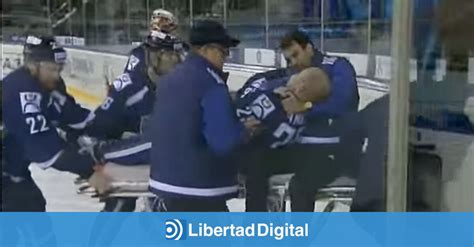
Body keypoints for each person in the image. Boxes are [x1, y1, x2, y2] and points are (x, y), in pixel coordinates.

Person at [145, 20, 258, 212]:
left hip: (166, 183)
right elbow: (223, 141)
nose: (227, 56)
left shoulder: (171, 78)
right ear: (207, 49)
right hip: (199, 188)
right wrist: (244, 130)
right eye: (224, 51)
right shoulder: (211, 83)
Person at [243, 30, 361, 212]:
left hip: (331, 152)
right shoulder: (291, 75)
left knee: (299, 186)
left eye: (296, 55)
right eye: (289, 59)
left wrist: (306, 107)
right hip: (300, 150)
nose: (294, 62)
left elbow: (343, 102)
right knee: (256, 164)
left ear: (310, 48)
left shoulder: (337, 66)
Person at [83, 31, 185, 212]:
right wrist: (95, 154)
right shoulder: (132, 87)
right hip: (108, 147)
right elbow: (97, 126)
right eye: (172, 54)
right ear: (157, 56)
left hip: (139, 146)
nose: (178, 59)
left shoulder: (170, 84)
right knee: (121, 202)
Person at [2, 36, 98, 212]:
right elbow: (47, 150)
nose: (57, 75)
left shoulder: (47, 85)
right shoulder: (21, 92)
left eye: (59, 69)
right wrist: (90, 170)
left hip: (14, 173)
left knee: (35, 211)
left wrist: (123, 125)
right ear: (34, 65)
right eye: (52, 69)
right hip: (7, 178)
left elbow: (75, 117)